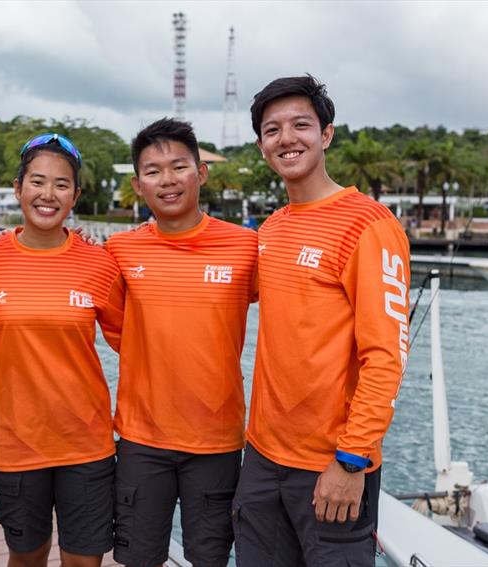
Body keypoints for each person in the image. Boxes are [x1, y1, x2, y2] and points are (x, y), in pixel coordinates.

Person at [231, 75, 410, 566]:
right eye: (272, 130)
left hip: (333, 465)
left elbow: (386, 357)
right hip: (264, 460)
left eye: (301, 125)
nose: (286, 138)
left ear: (326, 134)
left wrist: (351, 460)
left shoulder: (369, 225)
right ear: (262, 145)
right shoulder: (271, 228)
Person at [104, 118, 259, 566]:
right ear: (137, 185)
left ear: (201, 173)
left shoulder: (245, 247)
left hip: (216, 440)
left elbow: (298, 308)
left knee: (209, 559)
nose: (167, 180)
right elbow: (114, 326)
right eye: (153, 171)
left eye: (179, 167)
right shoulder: (120, 251)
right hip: (141, 439)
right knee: (138, 559)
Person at [0, 133, 124, 567]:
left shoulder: (100, 263)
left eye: (61, 185)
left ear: (75, 195)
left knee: (83, 560)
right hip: (14, 445)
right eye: (37, 182)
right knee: (28, 555)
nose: (47, 194)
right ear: (18, 188)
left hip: (87, 443)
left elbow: (134, 343)